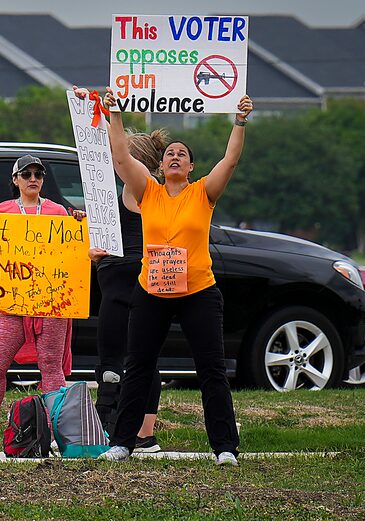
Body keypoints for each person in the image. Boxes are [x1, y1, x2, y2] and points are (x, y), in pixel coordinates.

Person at [91, 87, 253, 466]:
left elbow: (229, 160)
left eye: (182, 153)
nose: (175, 156)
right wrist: (115, 113)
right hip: (152, 290)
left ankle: (225, 447)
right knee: (139, 365)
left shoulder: (203, 193)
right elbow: (120, 155)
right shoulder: (148, 191)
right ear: (160, 168)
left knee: (211, 369)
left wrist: (240, 121)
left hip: (198, 290)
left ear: (192, 167)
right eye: (169, 153)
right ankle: (123, 443)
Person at [0, 155, 85, 446]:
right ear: (15, 180)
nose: (33, 178)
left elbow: (73, 255)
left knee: (50, 365)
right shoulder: (1, 211)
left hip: (50, 303)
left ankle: (56, 432)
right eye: (26, 174)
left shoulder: (58, 212)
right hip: (12, 302)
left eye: (38, 174)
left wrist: (79, 227)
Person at [86, 124, 167, 454]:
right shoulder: (132, 193)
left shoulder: (143, 189)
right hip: (117, 280)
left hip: (132, 281)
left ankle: (139, 432)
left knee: (130, 357)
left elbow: (117, 150)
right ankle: (128, 428)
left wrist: (101, 115)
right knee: (126, 356)